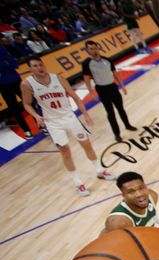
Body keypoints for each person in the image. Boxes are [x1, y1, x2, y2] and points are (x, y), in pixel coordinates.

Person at [21, 56, 115, 197]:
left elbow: (75, 97)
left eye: (40, 64)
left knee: (87, 145)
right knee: (66, 152)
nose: (39, 68)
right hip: (53, 123)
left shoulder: (58, 78)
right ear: (30, 68)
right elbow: (26, 104)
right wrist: (36, 116)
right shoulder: (27, 84)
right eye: (35, 66)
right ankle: (78, 183)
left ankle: (100, 171)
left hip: (70, 118)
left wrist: (86, 114)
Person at [82, 40, 138, 142]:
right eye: (90, 49)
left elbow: (115, 73)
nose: (93, 50)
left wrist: (122, 85)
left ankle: (128, 125)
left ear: (98, 48)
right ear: (87, 50)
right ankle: (117, 134)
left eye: (95, 48)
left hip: (113, 87)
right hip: (102, 90)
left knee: (121, 108)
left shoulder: (107, 60)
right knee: (110, 113)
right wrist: (91, 92)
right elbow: (86, 78)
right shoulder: (86, 63)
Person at [0, 45, 33, 138]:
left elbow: (15, 64)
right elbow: (7, 64)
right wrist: (5, 64)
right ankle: (26, 130)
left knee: (29, 101)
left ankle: (41, 124)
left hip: (15, 80)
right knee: (14, 108)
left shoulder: (1, 48)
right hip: (3, 85)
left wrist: (5, 65)